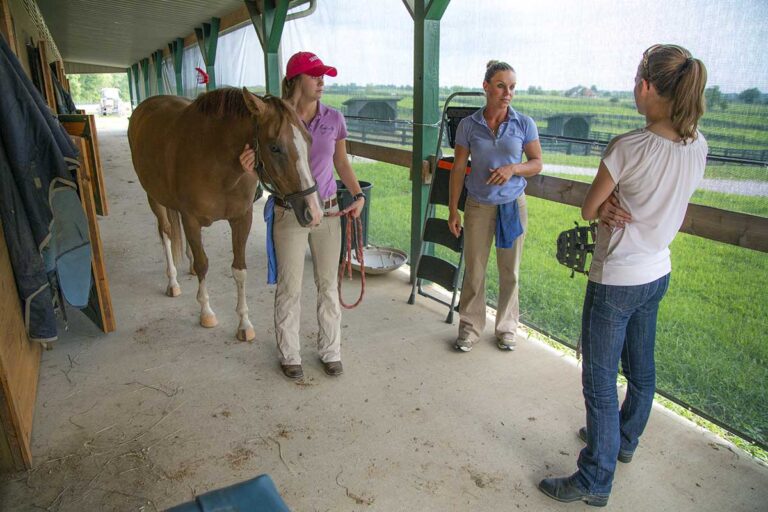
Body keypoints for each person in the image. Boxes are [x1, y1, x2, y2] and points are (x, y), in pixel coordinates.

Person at [538, 44, 708, 507]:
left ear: (648, 87)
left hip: (616, 279)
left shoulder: (630, 146)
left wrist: (606, 207)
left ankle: (595, 477)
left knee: (598, 380)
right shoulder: (698, 146)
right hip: (657, 272)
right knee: (641, 371)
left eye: (638, 81)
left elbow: (590, 207)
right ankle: (623, 441)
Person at [240, 52, 365, 380]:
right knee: (289, 287)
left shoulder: (333, 118)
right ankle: (289, 353)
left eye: (324, 76)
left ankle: (331, 351)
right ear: (296, 79)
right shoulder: (272, 116)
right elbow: (264, 161)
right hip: (287, 211)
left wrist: (358, 194)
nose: (322, 82)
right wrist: (248, 166)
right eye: (315, 75)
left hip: (327, 211)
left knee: (327, 285)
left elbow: (341, 163)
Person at [447, 60, 543, 352]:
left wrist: (513, 169)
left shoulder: (524, 123)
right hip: (478, 205)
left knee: (510, 270)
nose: (507, 93)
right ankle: (470, 328)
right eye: (501, 85)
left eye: (512, 87)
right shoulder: (468, 125)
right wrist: (453, 210)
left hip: (513, 206)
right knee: (474, 270)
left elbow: (537, 163)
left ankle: (506, 328)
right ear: (486, 86)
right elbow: (458, 167)